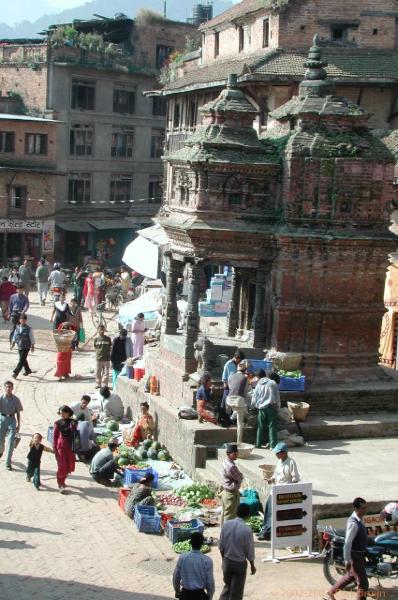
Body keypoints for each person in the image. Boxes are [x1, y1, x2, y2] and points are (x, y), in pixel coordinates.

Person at [325, 497, 369, 600]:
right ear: (356, 508)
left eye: (365, 508)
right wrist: (347, 560)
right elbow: (348, 543)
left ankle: (331, 592)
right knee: (363, 583)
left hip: (359, 554)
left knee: (350, 576)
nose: (365, 510)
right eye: (363, 508)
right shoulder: (353, 523)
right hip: (355, 556)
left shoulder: (359, 519)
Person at [257, 442, 300, 541]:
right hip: (275, 490)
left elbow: (295, 478)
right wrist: (271, 480)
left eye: (278, 453)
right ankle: (265, 530)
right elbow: (275, 475)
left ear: (284, 453)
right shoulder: (279, 462)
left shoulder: (291, 462)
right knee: (268, 508)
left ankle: (269, 533)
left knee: (275, 513)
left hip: (284, 492)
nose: (276, 455)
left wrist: (291, 487)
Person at [219, 503, 256, 600]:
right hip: (239, 564)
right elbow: (249, 550)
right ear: (248, 515)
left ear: (236, 511)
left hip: (227, 561)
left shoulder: (226, 524)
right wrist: (252, 565)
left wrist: (224, 560)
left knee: (228, 586)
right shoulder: (247, 529)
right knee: (237, 592)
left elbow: (221, 546)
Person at [173, 531, 215, 600]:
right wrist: (209, 597)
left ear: (190, 543)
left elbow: (176, 578)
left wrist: (177, 592)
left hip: (185, 595)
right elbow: (210, 583)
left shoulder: (182, 558)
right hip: (199, 596)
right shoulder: (207, 561)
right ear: (202, 544)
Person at [251, 371, 281, 449]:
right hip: (271, 407)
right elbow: (277, 397)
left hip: (261, 409)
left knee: (260, 426)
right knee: (272, 426)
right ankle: (273, 445)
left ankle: (258, 444)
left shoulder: (258, 385)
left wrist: (252, 407)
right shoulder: (273, 383)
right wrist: (278, 407)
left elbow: (254, 398)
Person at [53, 405, 77, 493]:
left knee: (68, 466)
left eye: (64, 412)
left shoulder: (73, 422)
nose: (62, 414)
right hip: (61, 448)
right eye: (61, 412)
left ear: (68, 413)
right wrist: (54, 448)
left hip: (70, 448)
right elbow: (55, 436)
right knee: (62, 466)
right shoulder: (57, 423)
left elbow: (75, 434)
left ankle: (63, 481)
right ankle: (60, 483)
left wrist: (72, 427)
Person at [0, 381, 23, 470]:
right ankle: (1, 451)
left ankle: (8, 463)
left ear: (12, 388)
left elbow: (18, 413)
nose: (8, 388)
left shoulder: (16, 399)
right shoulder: (1, 398)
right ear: (4, 388)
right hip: (2, 420)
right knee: (0, 442)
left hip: (12, 421)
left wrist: (19, 425)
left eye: (10, 387)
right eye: (7, 387)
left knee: (11, 443)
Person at [227, 361, 252, 442]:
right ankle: (239, 442)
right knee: (240, 423)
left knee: (236, 410)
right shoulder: (245, 378)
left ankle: (232, 417)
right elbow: (245, 393)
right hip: (238, 401)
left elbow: (231, 387)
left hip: (228, 400)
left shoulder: (231, 376)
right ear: (245, 371)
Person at [221, 443, 243, 523]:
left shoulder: (224, 462)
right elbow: (240, 477)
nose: (236, 455)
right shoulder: (231, 467)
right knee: (230, 517)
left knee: (224, 513)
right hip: (231, 494)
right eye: (235, 454)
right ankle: (227, 533)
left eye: (237, 453)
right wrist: (241, 476)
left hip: (225, 493)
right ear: (228, 454)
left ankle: (223, 532)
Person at [221, 351, 245, 422]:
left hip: (237, 387)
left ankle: (232, 419)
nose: (240, 362)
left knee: (235, 404)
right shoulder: (228, 364)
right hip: (228, 387)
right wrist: (226, 384)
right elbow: (224, 377)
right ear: (235, 358)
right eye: (239, 360)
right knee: (225, 403)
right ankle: (223, 417)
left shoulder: (241, 364)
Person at [11, 314, 35, 378]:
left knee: (21, 360)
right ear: (19, 320)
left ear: (26, 321)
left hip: (26, 347)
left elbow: (32, 337)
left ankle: (15, 373)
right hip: (19, 345)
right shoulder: (17, 327)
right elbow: (14, 336)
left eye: (24, 320)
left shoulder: (29, 328)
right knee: (23, 359)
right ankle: (28, 370)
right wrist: (13, 343)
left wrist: (32, 346)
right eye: (22, 320)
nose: (23, 321)